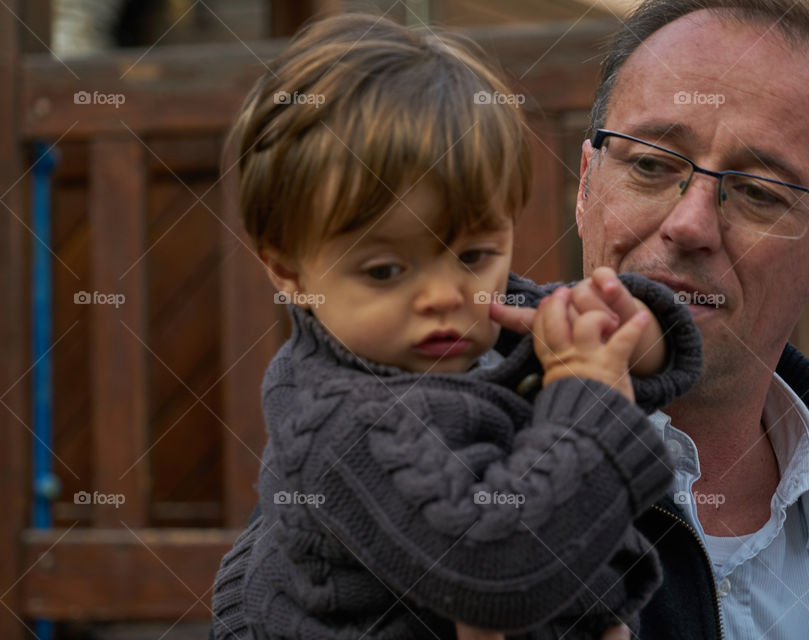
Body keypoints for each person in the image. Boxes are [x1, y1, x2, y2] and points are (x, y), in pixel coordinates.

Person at [209, 13, 704, 640]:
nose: (445, 297)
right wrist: (592, 394)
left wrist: (631, 334)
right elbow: (497, 574)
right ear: (287, 270)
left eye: (473, 256)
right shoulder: (341, 425)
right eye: (386, 270)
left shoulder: (494, 324)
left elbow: (587, 320)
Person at [490, 0, 809, 637]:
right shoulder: (436, 458)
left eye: (760, 192)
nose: (689, 225)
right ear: (585, 186)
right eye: (651, 164)